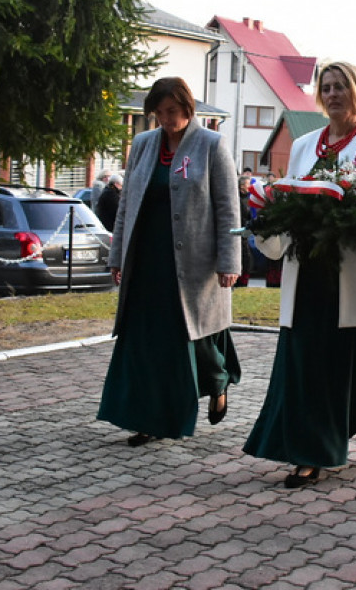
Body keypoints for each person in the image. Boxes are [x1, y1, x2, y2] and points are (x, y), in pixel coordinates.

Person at [244, 61, 356, 488]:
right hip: (308, 272)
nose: (334, 93)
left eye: (342, 86)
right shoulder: (304, 145)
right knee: (309, 364)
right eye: (327, 86)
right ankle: (310, 453)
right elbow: (290, 199)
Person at [97, 77, 242, 447]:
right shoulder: (144, 144)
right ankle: (148, 418)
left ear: (187, 108)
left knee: (195, 334)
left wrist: (230, 261)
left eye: (172, 112)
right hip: (147, 258)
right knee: (147, 342)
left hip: (195, 260)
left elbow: (228, 208)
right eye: (159, 113)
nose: (165, 119)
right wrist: (117, 255)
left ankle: (217, 380)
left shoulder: (211, 144)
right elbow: (127, 203)